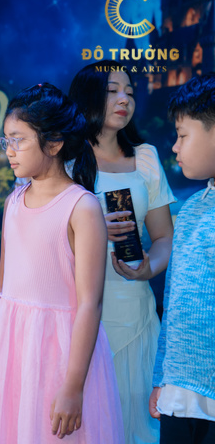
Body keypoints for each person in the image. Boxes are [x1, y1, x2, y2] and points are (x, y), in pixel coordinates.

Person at [0, 83, 123, 443]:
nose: (9, 150)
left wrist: (73, 386)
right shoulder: (13, 201)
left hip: (58, 353)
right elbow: (1, 286)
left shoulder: (81, 207)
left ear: (54, 143)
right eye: (6, 141)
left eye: (18, 140)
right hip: (11, 349)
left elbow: (90, 303)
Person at [68, 61, 174, 444]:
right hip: (77, 311)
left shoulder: (145, 157)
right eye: (113, 91)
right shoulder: (62, 159)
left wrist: (148, 269)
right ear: (88, 97)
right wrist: (92, 230)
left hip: (136, 309)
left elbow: (163, 238)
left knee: (139, 423)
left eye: (129, 91)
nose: (124, 99)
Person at [149, 73, 215, 444]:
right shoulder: (189, 211)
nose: (175, 147)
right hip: (180, 395)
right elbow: (172, 302)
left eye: (183, 135)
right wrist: (162, 378)